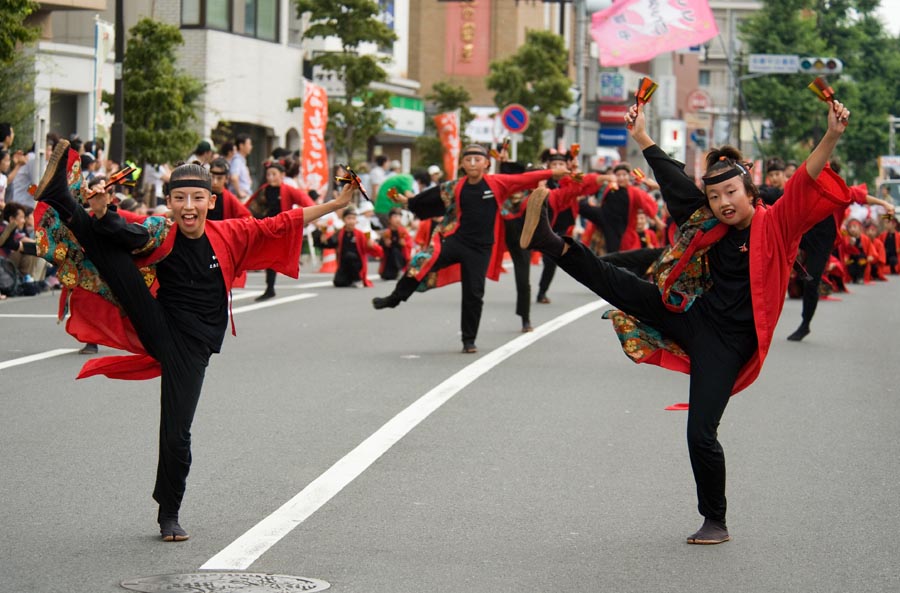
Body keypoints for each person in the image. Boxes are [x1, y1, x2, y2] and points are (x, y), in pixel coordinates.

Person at [520, 98, 854, 544]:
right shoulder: (707, 224)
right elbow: (673, 180)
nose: (722, 203)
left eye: (731, 193)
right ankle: (551, 241)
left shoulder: (777, 225)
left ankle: (715, 519)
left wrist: (831, 134)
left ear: (751, 194)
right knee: (620, 284)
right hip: (692, 315)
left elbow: (803, 179)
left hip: (729, 343)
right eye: (714, 196)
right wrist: (641, 136)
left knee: (700, 433)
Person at [32, 139, 353, 542]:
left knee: (177, 431)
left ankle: (169, 511)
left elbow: (284, 222)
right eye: (179, 197)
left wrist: (337, 204)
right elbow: (129, 230)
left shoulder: (231, 234)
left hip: (193, 347)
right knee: (112, 255)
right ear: (168, 201)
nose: (188, 206)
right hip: (158, 322)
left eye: (197, 198)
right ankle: (61, 197)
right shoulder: (162, 230)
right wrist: (102, 212)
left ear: (211, 202)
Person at [372, 144, 553, 353]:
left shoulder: (499, 184)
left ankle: (470, 340)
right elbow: (429, 198)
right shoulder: (454, 187)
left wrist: (557, 172)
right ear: (462, 164)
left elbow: (526, 179)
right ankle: (395, 298)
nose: (473, 163)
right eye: (469, 159)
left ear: (487, 163)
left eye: (478, 159)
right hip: (455, 240)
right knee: (422, 260)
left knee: (474, 293)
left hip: (488, 246)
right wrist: (408, 201)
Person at [245, 161, 315, 301]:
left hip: (280, 228)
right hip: (264, 227)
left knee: (272, 258)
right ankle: (269, 288)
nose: (270, 177)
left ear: (282, 175)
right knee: (265, 257)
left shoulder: (288, 190)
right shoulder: (264, 189)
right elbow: (248, 207)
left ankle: (270, 288)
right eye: (268, 174)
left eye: (274, 174)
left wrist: (313, 214)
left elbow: (305, 200)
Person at [318, 207, 382, 287]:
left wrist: (372, 245)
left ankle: (357, 279)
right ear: (344, 220)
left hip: (357, 265)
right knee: (339, 283)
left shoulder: (360, 234)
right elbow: (329, 245)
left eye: (353, 218)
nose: (351, 221)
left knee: (350, 256)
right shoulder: (339, 233)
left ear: (356, 221)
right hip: (344, 265)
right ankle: (349, 279)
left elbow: (373, 250)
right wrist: (323, 239)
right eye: (349, 218)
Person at [379, 207, 411, 280]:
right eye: (395, 217)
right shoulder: (386, 232)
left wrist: (404, 244)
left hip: (401, 258)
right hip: (389, 261)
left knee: (395, 251)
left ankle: (400, 269)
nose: (398, 219)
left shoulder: (403, 231)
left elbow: (409, 244)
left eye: (399, 217)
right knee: (387, 276)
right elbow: (380, 248)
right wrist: (385, 244)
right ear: (390, 219)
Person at [229, 133, 253, 201]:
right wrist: (239, 192)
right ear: (241, 145)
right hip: (240, 198)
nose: (251, 147)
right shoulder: (237, 160)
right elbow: (234, 177)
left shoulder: (241, 160)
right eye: (249, 144)